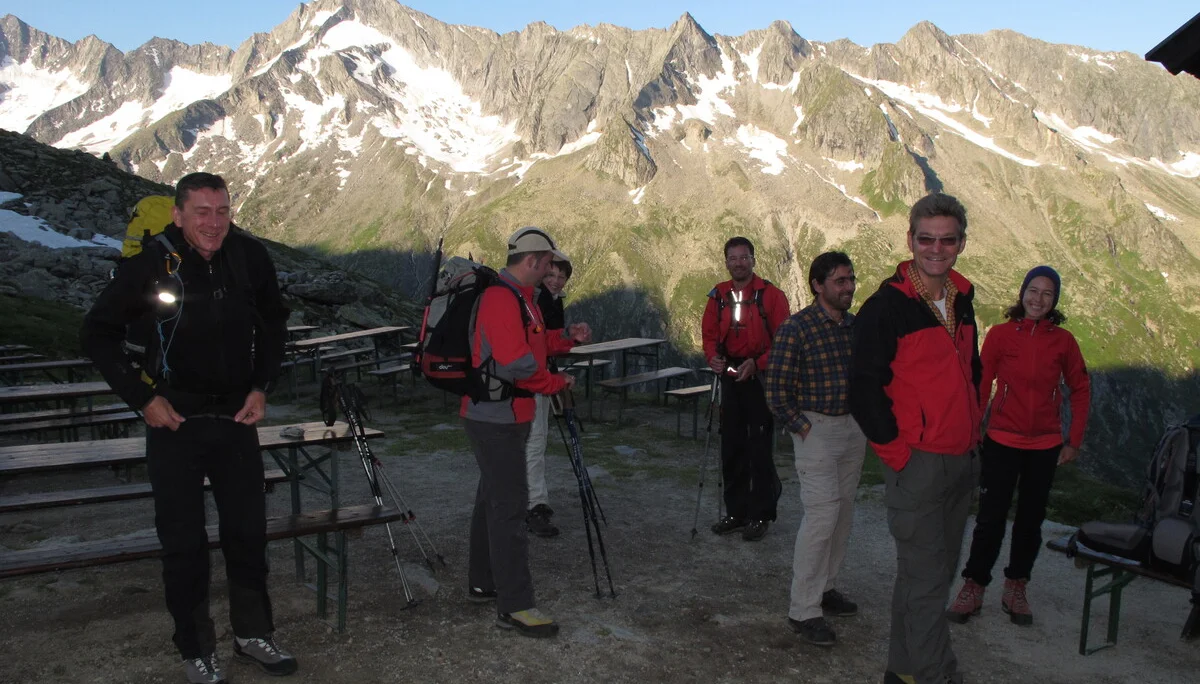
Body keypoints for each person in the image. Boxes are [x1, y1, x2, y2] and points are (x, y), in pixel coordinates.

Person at [80, 172, 295, 684]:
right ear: (178, 214)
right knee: (183, 541)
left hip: (236, 417)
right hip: (173, 420)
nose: (214, 223)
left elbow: (273, 324)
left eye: (222, 211)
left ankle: (252, 634)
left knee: (247, 532)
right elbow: (97, 332)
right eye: (202, 211)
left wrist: (262, 386)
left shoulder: (249, 257)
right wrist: (142, 399)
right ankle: (195, 647)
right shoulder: (152, 263)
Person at [849, 193, 982, 684]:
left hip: (961, 459)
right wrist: (898, 456)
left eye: (947, 239)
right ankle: (936, 675)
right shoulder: (886, 307)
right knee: (928, 585)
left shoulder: (962, 298)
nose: (936, 248)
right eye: (926, 239)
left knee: (927, 576)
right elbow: (862, 391)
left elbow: (970, 371)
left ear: (961, 243)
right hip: (918, 464)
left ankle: (901, 671)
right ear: (910, 240)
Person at [462, 227, 590, 638]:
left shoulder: (524, 299)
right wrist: (557, 384)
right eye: (550, 263)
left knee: (492, 500)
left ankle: (483, 582)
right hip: (496, 416)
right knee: (511, 508)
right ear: (534, 261)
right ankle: (515, 606)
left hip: (503, 414)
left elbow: (532, 347)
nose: (554, 270)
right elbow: (517, 363)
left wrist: (565, 338)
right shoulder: (503, 298)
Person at [948, 266, 1090, 626]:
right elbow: (982, 383)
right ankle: (974, 586)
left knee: (1030, 520)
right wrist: (975, 429)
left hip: (1045, 444)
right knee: (990, 518)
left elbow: (1081, 387)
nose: (1038, 299)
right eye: (1033, 290)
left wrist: (1074, 440)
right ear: (1022, 292)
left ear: (1054, 300)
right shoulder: (1000, 334)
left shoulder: (1064, 341)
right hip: (1002, 439)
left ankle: (1016, 587)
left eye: (1047, 294)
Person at [765, 251, 866, 647]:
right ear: (818, 285)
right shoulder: (797, 328)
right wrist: (804, 428)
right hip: (816, 428)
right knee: (823, 515)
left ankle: (826, 587)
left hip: (853, 428)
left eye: (851, 279)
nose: (849, 288)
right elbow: (776, 390)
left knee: (842, 513)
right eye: (840, 281)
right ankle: (803, 609)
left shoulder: (855, 327)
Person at [702, 236, 791, 541]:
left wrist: (759, 362)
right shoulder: (718, 296)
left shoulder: (772, 296)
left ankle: (761, 513)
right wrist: (712, 357)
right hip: (730, 373)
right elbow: (710, 334)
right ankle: (737, 512)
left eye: (744, 257)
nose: (738, 263)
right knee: (732, 444)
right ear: (726, 262)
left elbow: (783, 340)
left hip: (760, 376)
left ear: (754, 260)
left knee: (759, 446)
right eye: (733, 258)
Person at [524, 259, 589, 538]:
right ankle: (534, 505)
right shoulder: (542, 300)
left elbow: (547, 345)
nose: (556, 280)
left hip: (534, 378)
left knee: (530, 442)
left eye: (561, 276)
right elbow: (542, 346)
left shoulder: (548, 300)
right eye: (551, 274)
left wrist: (570, 342)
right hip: (533, 382)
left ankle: (527, 502)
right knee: (535, 442)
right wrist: (554, 377)